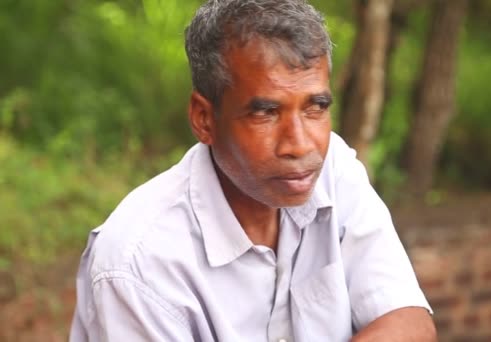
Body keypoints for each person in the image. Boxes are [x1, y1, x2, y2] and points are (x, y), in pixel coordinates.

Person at [69, 0, 436, 341]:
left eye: (316, 107)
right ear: (204, 119)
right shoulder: (140, 262)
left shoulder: (332, 169)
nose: (300, 145)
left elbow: (409, 322)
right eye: (265, 112)